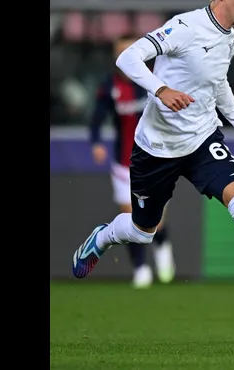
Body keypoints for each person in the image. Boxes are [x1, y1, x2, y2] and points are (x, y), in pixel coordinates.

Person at [71, 0, 234, 334]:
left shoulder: (229, 38)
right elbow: (128, 58)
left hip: (202, 140)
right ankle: (103, 236)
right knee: (144, 230)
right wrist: (161, 89)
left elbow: (218, 85)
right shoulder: (185, 27)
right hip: (156, 148)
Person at [88, 35, 176, 289]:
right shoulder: (110, 86)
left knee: (155, 220)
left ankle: (162, 246)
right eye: (119, 52)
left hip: (155, 159)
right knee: (132, 219)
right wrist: (96, 142)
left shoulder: (154, 81)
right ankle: (140, 269)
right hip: (123, 162)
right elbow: (97, 118)